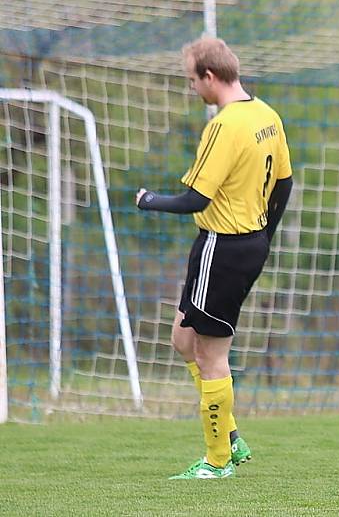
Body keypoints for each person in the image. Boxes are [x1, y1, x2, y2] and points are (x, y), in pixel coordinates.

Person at [136, 36, 293, 479]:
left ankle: (218, 460)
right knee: (183, 340)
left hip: (221, 247)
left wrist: (149, 200)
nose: (192, 89)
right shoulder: (266, 114)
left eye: (192, 80)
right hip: (245, 243)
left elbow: (196, 198)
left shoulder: (225, 125)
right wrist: (266, 234)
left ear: (210, 76)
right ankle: (230, 435)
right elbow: (285, 183)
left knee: (210, 353)